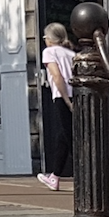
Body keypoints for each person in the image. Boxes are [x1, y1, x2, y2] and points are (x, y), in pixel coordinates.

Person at [37, 23, 74, 191]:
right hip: (78, 95)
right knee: (63, 135)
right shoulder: (72, 54)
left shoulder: (49, 52)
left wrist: (66, 99)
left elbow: (57, 76)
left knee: (70, 135)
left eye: (45, 37)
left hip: (62, 95)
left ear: (50, 39)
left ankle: (81, 173)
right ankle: (55, 176)